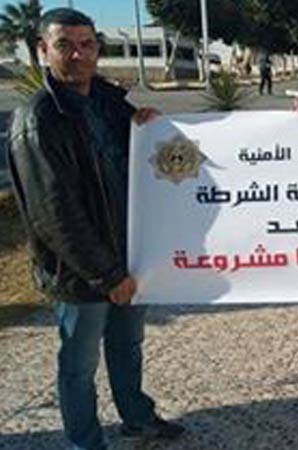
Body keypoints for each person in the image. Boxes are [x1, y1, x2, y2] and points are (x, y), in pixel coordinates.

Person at [7, 8, 184, 450]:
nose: (78, 54)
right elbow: (54, 213)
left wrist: (146, 124)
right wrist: (106, 275)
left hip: (129, 255)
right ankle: (86, 442)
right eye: (64, 45)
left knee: (127, 346)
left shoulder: (108, 102)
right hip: (81, 271)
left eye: (86, 44)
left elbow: (138, 164)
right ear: (43, 50)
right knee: (79, 363)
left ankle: (137, 417)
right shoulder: (39, 118)